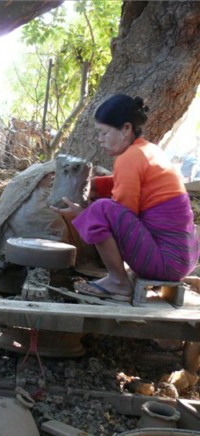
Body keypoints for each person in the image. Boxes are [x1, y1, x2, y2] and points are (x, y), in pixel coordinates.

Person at [52, 94, 200, 301]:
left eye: (104, 133)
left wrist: (82, 214)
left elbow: (122, 214)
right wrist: (91, 185)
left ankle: (118, 282)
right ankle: (117, 278)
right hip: (184, 258)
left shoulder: (129, 158)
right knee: (100, 208)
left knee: (100, 210)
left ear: (126, 129)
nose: (99, 139)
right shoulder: (147, 150)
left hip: (167, 262)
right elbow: (125, 184)